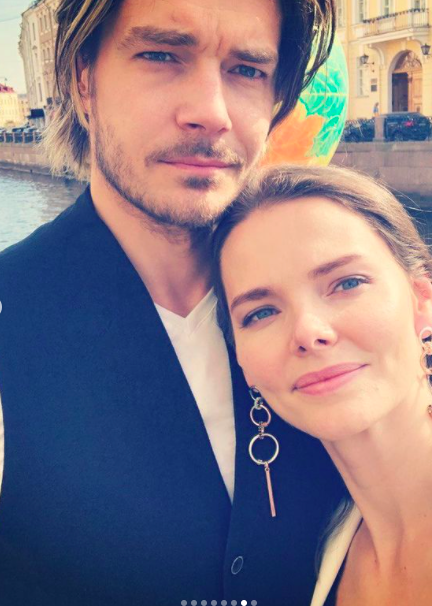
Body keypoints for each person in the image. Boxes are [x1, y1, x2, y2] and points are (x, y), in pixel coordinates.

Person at [0, 1, 343, 605]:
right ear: (83, 81)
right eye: (161, 55)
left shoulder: (341, 315)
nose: (211, 112)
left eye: (247, 70)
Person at [213, 164, 432, 606]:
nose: (309, 332)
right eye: (261, 312)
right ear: (243, 363)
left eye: (347, 283)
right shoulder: (321, 555)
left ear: (422, 303)